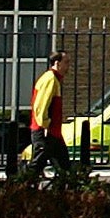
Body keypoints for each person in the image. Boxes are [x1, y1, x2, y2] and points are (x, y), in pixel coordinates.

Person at [25, 50, 70, 185]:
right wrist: (45, 124)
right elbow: (41, 105)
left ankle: (64, 190)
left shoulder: (53, 79)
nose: (68, 66)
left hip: (53, 132)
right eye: (66, 62)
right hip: (46, 131)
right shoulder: (50, 79)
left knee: (63, 164)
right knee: (38, 163)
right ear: (57, 63)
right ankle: (23, 186)